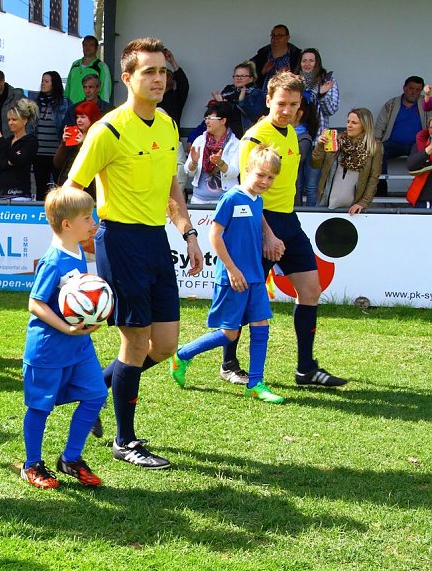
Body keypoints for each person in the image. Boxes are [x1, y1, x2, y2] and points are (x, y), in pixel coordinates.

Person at [65, 38, 205, 469]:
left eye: (162, 71)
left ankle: (90, 392)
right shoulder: (107, 130)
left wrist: (188, 232)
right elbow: (72, 188)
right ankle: (125, 441)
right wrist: (81, 237)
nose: (158, 79)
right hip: (120, 240)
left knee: (164, 346)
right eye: (149, 72)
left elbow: (171, 188)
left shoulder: (168, 125)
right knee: (135, 342)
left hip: (156, 241)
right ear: (127, 78)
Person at [220, 71, 347, 388]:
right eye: (281, 103)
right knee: (245, 296)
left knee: (311, 291)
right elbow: (246, 194)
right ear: (268, 101)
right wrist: (267, 234)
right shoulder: (255, 138)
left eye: (293, 104)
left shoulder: (291, 133)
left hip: (289, 221)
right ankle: (229, 364)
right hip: (259, 223)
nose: (287, 110)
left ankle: (306, 369)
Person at [171, 145, 284, 404]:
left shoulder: (257, 200)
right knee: (229, 334)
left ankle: (255, 384)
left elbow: (258, 222)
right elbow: (215, 235)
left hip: (255, 276)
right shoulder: (231, 198)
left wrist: (270, 238)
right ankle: (182, 355)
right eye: (261, 175)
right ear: (247, 170)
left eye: (271, 177)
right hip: (233, 278)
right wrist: (232, 269)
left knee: (261, 326)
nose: (265, 181)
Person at [19, 185, 108, 489]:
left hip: (79, 347)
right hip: (48, 349)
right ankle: (32, 465)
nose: (93, 222)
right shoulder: (53, 261)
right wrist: (67, 327)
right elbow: (36, 303)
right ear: (67, 224)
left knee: (96, 394)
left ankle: (71, 458)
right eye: (87, 218)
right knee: (40, 408)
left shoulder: (79, 250)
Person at [313, 108, 382, 213]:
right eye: (348, 121)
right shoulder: (337, 140)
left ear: (365, 125)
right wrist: (320, 146)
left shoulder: (374, 146)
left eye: (354, 123)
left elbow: (374, 178)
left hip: (353, 207)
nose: (349, 125)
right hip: (327, 201)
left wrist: (363, 202)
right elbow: (315, 164)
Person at [294, 48, 339, 205]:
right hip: (296, 138)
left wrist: (322, 94)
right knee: (296, 184)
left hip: (318, 140)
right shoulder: (294, 81)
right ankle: (296, 214)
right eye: (304, 60)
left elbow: (331, 110)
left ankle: (311, 214)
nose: (307, 64)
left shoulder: (327, 81)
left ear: (317, 62)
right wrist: (314, 92)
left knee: (313, 185)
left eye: (311, 60)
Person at [374, 76, 431, 194]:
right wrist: (376, 142)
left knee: (424, 156)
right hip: (393, 144)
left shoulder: (426, 104)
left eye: (417, 90)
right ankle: (381, 191)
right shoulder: (391, 104)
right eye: (411, 88)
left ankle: (419, 193)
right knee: (378, 151)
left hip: (416, 145)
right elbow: (380, 125)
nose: (414, 92)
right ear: (404, 88)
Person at [184, 101, 241, 204]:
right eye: (206, 118)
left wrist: (220, 163)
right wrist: (194, 162)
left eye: (210, 118)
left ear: (223, 121)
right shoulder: (200, 140)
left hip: (226, 201)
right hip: (199, 200)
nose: (207, 122)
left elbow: (234, 173)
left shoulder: (235, 143)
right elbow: (189, 172)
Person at [0, 98, 39, 201]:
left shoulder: (30, 141)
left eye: (14, 119)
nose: (10, 123)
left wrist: (0, 141)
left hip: (19, 194)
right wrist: (8, 162)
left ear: (24, 121)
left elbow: (17, 160)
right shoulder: (7, 141)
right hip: (0, 193)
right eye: (9, 120)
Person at [33, 71, 70, 200]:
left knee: (59, 187)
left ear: (54, 84)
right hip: (39, 152)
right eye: (42, 81)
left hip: (57, 153)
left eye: (46, 81)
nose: (43, 84)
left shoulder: (65, 102)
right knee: (41, 188)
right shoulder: (36, 102)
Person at [54, 99, 102, 194]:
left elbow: (94, 162)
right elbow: (57, 164)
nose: (79, 120)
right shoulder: (73, 134)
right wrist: (63, 143)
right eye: (77, 117)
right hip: (67, 183)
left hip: (88, 188)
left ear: (92, 118)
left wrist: (84, 143)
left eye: (83, 117)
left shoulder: (98, 136)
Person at [211, 61, 267, 139]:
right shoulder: (228, 91)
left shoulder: (258, 93)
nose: (239, 78)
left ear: (251, 79)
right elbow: (217, 117)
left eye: (243, 76)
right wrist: (220, 104)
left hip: (246, 137)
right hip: (226, 136)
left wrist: (242, 101)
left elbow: (256, 116)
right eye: (236, 76)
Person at [64, 35, 112, 105]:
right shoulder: (75, 65)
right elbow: (68, 88)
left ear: (96, 48)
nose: (87, 47)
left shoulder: (101, 67)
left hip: (91, 108)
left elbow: (105, 92)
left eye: (91, 45)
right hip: (73, 108)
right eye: (85, 45)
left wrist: (102, 109)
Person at [250, 25, 302, 89]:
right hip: (262, 93)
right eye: (273, 35)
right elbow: (247, 74)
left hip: (287, 93)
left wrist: (290, 75)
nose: (275, 39)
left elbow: (303, 80)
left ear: (288, 37)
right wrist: (262, 72)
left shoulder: (297, 56)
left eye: (280, 36)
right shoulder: (262, 54)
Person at [0, 69, 26, 139]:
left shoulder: (17, 96)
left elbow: (30, 118)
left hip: (15, 141)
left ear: (2, 81)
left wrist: (23, 138)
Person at [294, 97, 319, 205]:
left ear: (299, 113)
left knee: (309, 186)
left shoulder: (304, 137)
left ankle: (307, 211)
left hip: (315, 153)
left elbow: (297, 158)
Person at [406, 117, 432, 209]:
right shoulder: (421, 143)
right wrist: (428, 150)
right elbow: (411, 166)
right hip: (424, 198)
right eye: (431, 127)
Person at [159, 48, 188, 126]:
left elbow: (183, 83)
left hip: (171, 132)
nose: (166, 77)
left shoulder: (176, 97)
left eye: (169, 75)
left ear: (174, 81)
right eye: (163, 75)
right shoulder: (152, 96)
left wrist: (172, 61)